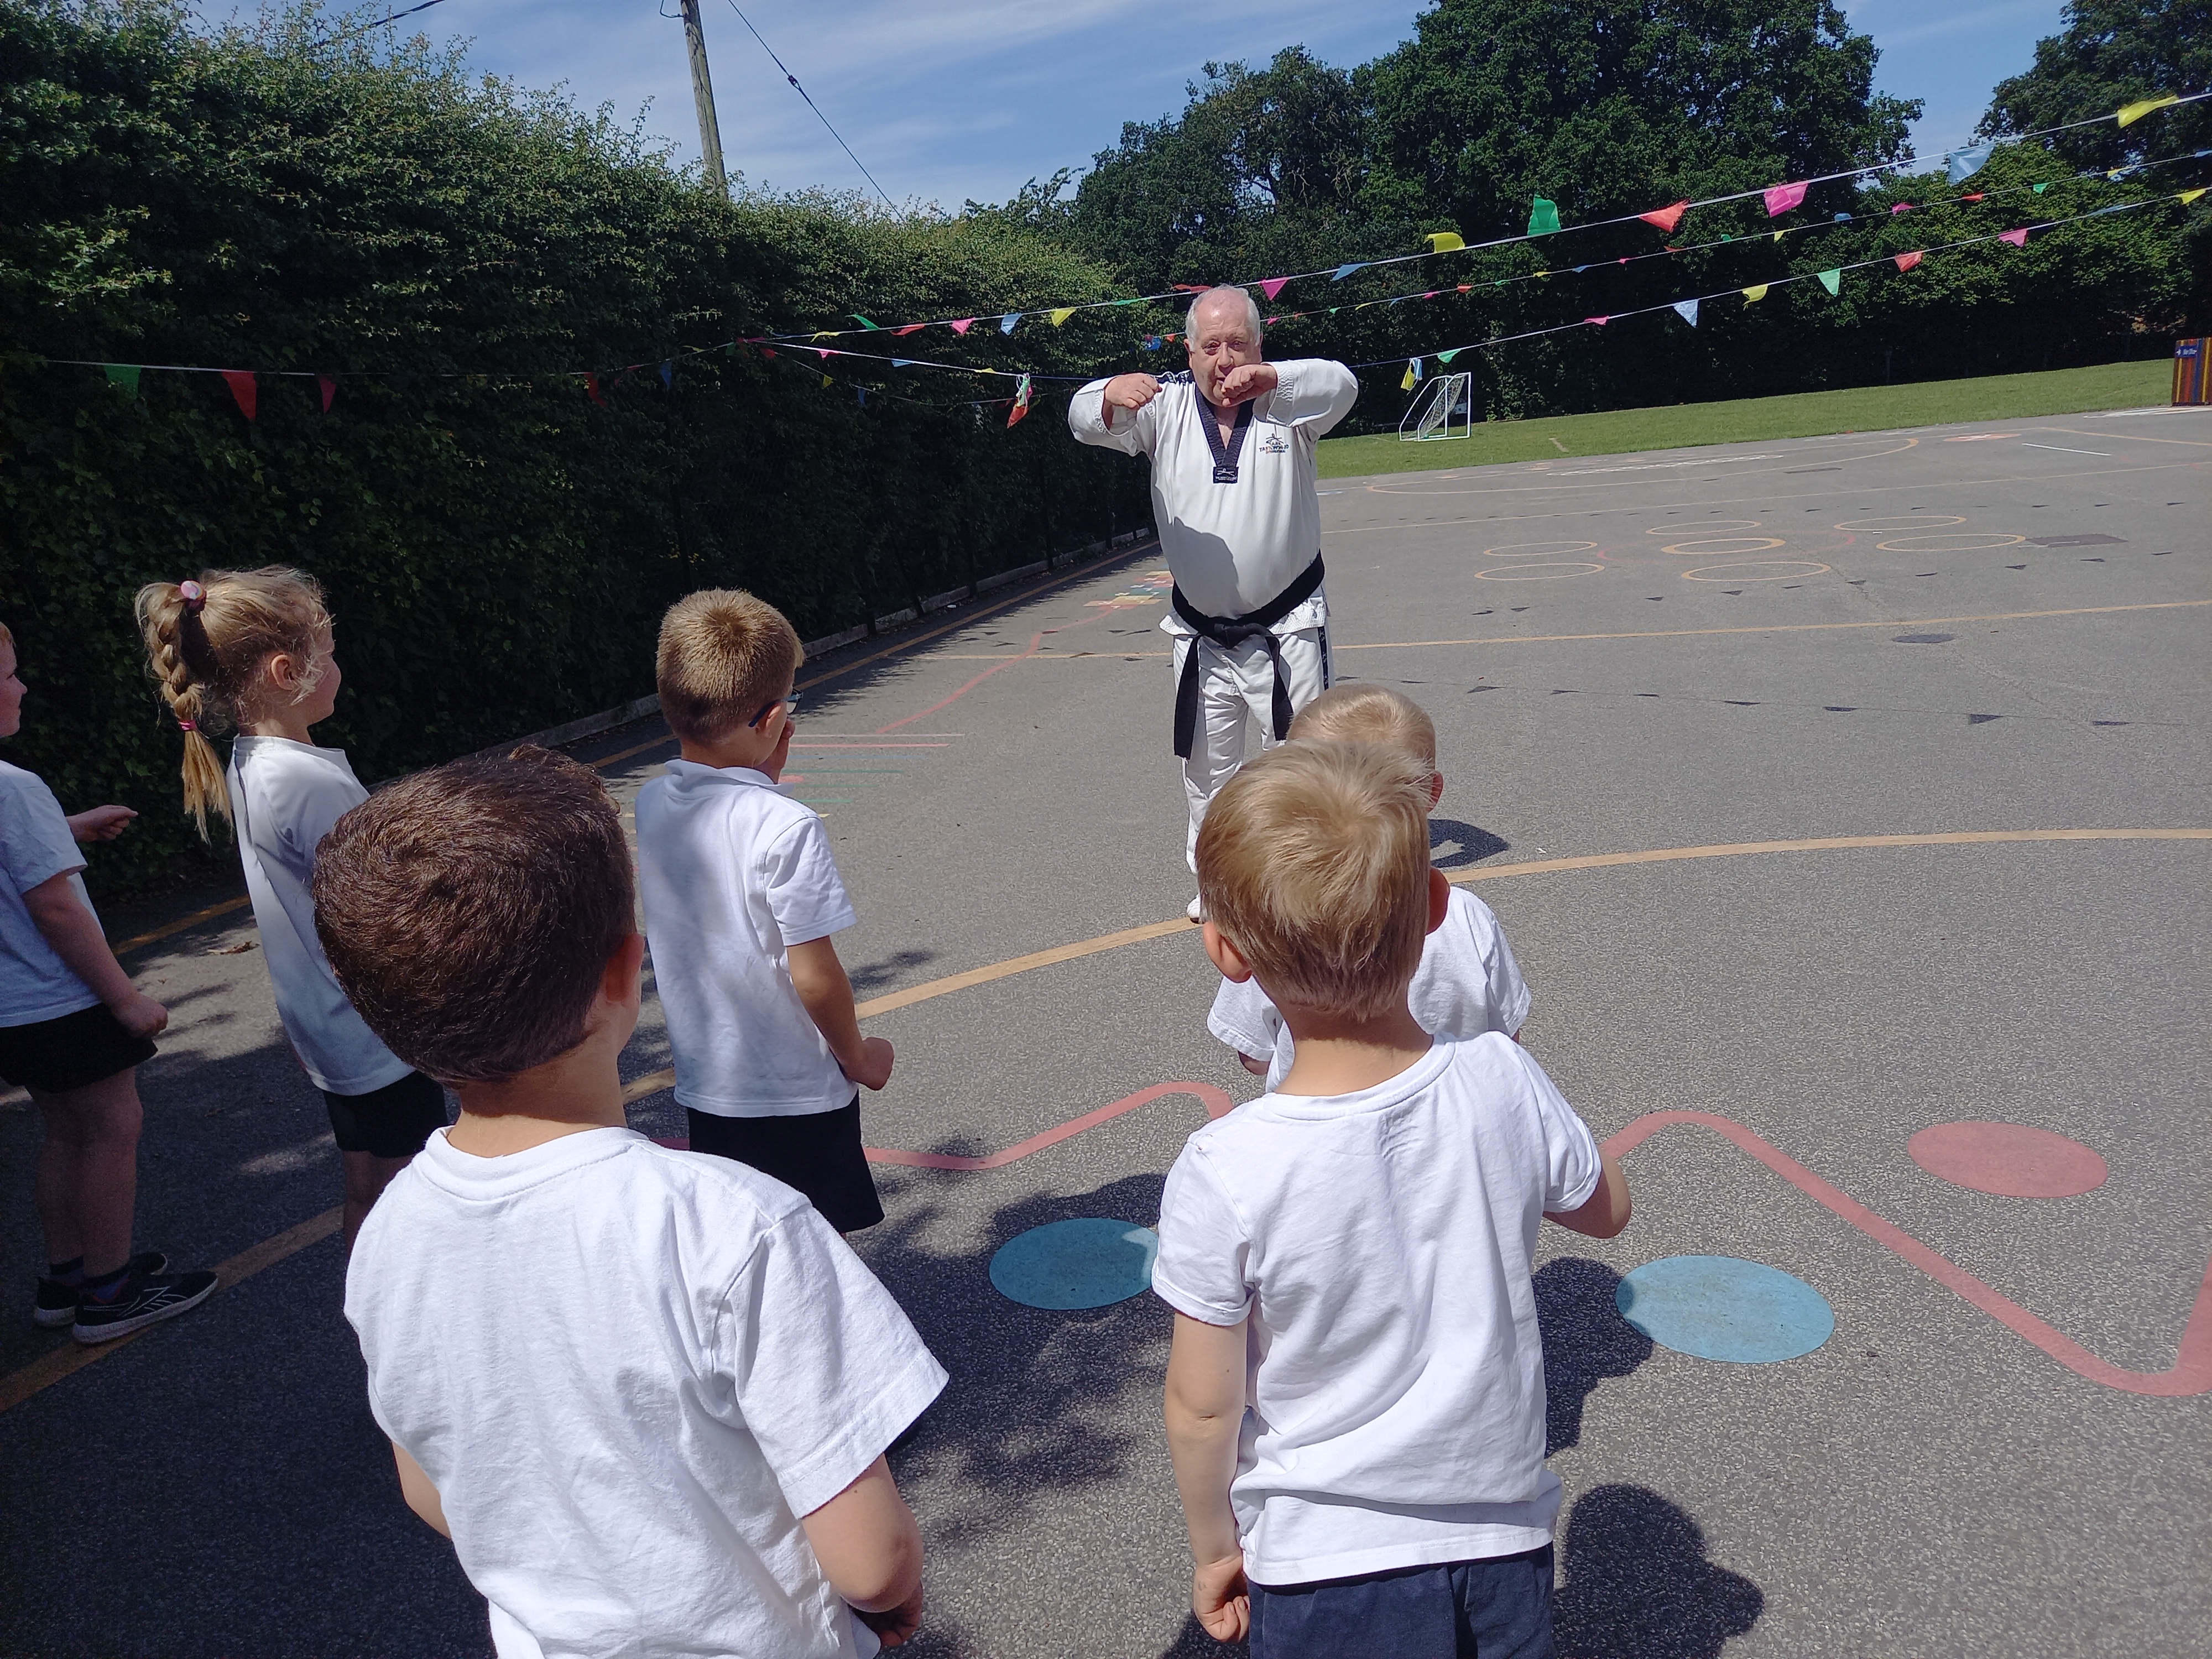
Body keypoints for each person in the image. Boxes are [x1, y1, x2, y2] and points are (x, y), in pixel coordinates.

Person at [317, 747, 945, 1658]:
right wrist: (890, 1592)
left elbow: (430, 1489)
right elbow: (873, 1563)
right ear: (623, 974)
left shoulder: (389, 1236)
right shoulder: (737, 1227)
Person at [1154, 742, 1632, 1659]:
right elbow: (1606, 1209)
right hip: (1499, 1533)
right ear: (1436, 911)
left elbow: (1203, 1405)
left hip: (1316, 1557)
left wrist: (1216, 1547)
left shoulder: (1225, 1167)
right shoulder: (1501, 1076)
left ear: (1227, 953)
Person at [136, 568, 446, 1255]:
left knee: (370, 1179)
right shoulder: (302, 780)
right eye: (327, 654)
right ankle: (400, 1303)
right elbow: (380, 904)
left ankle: (367, 1303)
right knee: (411, 1186)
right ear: (285, 672)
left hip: (332, 1025)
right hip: (373, 1027)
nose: (337, 667)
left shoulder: (257, 760)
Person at [1068, 285, 1359, 919]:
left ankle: (1304, 884)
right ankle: (1217, 887)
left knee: (1305, 763)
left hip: (1287, 628)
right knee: (1206, 771)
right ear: (1189, 351)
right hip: (1200, 636)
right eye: (1210, 346)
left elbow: (1342, 386)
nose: (1224, 359)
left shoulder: (1288, 405)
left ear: (1259, 344)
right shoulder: (1165, 408)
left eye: (1238, 344)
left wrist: (1272, 378)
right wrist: (1110, 393)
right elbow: (1081, 419)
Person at [634, 589, 893, 1233]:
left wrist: (761, 768)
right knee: (813, 1249)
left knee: (743, 1241)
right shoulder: (786, 826)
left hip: (711, 1086)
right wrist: (857, 1057)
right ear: (773, 718)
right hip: (796, 1090)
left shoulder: (651, 804)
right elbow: (814, 975)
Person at [0, 620, 217, 1342]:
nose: (22, 687)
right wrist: (125, 999)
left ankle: (66, 1278)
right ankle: (110, 1291)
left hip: (12, 1010)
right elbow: (56, 908)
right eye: (8, 676)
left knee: (65, 1131)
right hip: (63, 998)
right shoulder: (14, 788)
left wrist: (66, 827)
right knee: (113, 1128)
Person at [1206, 684, 1529, 1090]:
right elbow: (1508, 1032)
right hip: (1461, 1109)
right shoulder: (1467, 917)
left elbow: (1254, 1055)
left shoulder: (1271, 917)